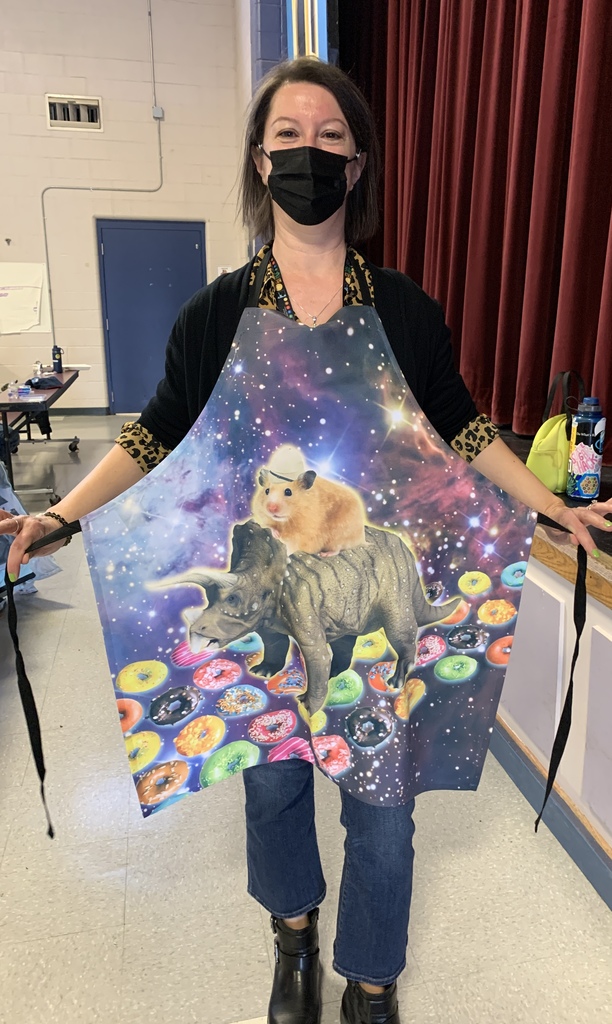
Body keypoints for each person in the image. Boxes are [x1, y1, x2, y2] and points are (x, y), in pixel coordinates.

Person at [1, 57, 611, 1024]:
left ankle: (372, 982)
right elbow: (152, 432)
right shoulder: (217, 312)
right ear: (259, 158)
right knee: (273, 784)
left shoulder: (403, 309)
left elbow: (461, 427)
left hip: (369, 589)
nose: (309, 154)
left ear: (358, 165)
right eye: (289, 136)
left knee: (382, 811)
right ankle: (294, 941)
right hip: (278, 605)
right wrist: (60, 514)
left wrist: (551, 503)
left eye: (330, 138)